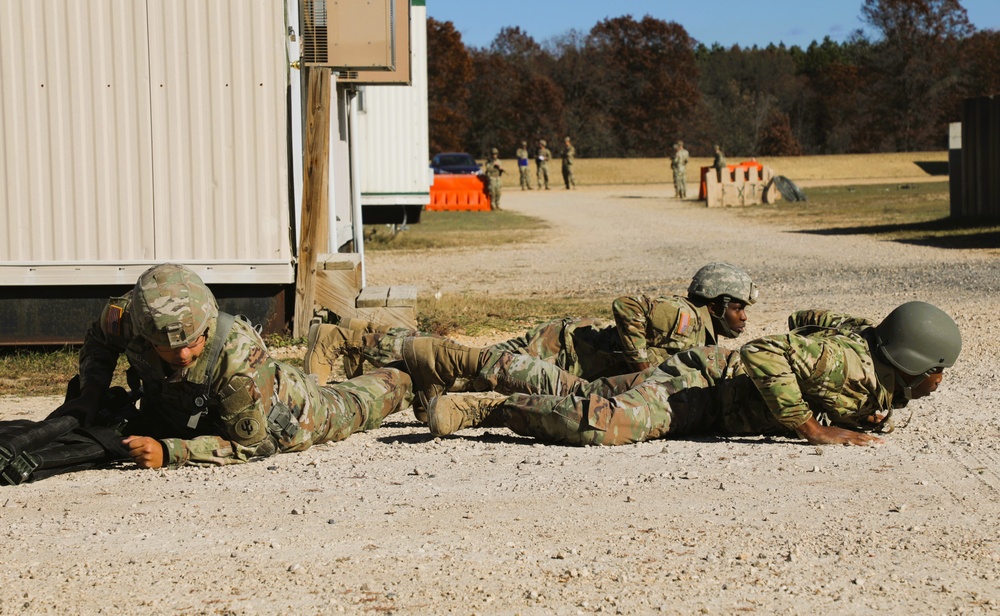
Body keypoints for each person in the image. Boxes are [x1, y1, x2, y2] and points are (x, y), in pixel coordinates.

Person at [400, 302, 961, 448]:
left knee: (585, 392)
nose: (940, 381)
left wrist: (863, 413)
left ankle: (455, 362)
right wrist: (810, 427)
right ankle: (487, 407)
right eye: (939, 371)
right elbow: (766, 350)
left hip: (706, 383)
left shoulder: (868, 354)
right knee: (604, 423)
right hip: (704, 390)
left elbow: (807, 319)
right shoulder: (853, 363)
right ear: (917, 365)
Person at [39, 263, 413, 471]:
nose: (183, 355)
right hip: (194, 413)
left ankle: (415, 368)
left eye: (192, 343)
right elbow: (99, 342)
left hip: (293, 414)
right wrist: (90, 393)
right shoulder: (129, 317)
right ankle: (334, 344)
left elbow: (251, 446)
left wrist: (171, 452)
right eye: (167, 348)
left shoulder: (237, 358)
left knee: (360, 402)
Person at [304, 263, 758, 388]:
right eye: (739, 308)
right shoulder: (682, 314)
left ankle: (356, 363)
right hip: (555, 349)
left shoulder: (703, 333)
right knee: (460, 359)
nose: (744, 318)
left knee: (460, 375)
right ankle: (352, 337)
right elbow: (626, 305)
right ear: (718, 303)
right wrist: (640, 360)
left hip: (562, 365)